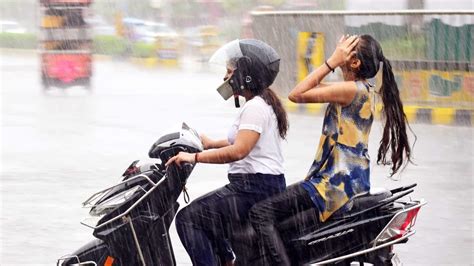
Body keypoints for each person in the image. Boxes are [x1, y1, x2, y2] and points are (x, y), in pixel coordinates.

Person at [249, 34, 414, 265]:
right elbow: (310, 87)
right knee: (288, 226)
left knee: (261, 213)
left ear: (354, 62)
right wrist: (333, 62)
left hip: (333, 184)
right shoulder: (359, 89)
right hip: (348, 183)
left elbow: (296, 94)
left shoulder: (351, 91)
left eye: (346, 47)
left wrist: (332, 61)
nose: (340, 47)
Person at [165, 39, 289, 266]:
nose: (225, 78)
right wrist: (211, 144)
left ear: (246, 75)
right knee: (208, 215)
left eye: (230, 72)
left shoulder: (255, 108)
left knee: (188, 218)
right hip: (259, 186)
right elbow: (241, 141)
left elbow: (239, 150)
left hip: (255, 189)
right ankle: (227, 261)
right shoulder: (260, 104)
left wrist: (194, 157)